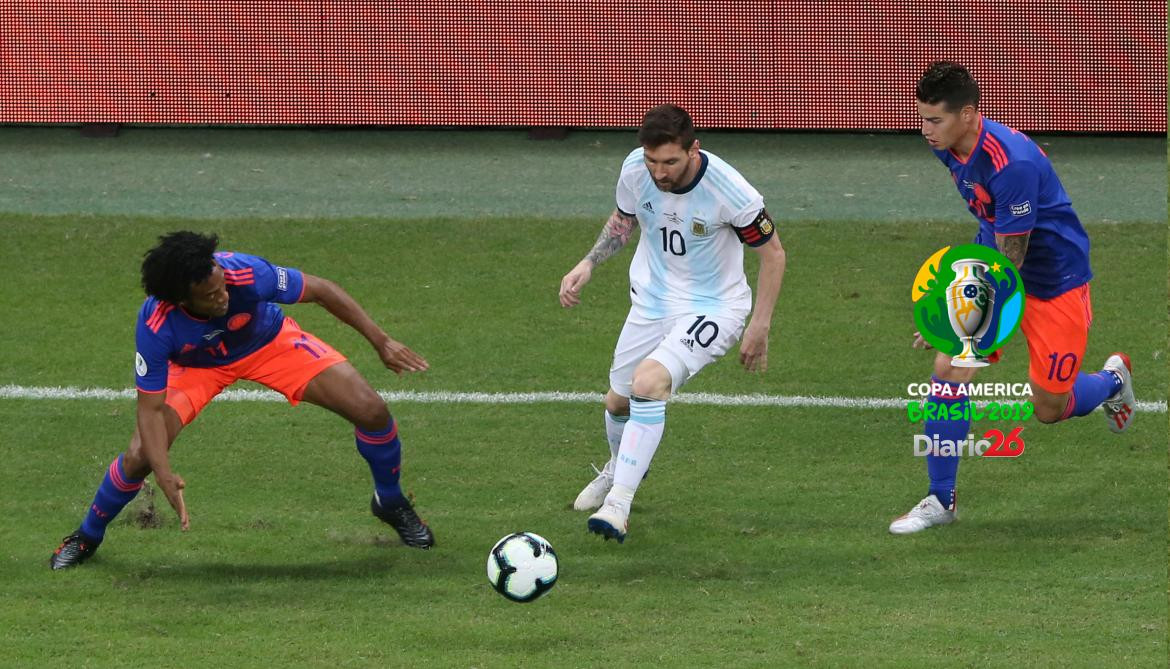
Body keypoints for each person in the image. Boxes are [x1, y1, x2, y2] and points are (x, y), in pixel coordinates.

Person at [50, 231, 435, 569]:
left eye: (223, 286)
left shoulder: (244, 272)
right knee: (139, 456)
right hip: (195, 367)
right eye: (211, 295)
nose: (224, 296)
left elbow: (321, 289)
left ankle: (390, 501)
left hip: (268, 342)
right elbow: (149, 410)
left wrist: (381, 341)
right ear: (181, 300)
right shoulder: (157, 325)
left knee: (371, 410)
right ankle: (87, 535)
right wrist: (164, 475)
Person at [890, 62, 1136, 534]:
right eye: (921, 118)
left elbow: (1013, 260)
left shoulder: (1012, 164)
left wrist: (956, 311)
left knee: (1049, 407)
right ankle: (942, 500)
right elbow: (994, 240)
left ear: (967, 115)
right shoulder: (949, 147)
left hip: (1053, 280)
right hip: (997, 257)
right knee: (949, 368)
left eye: (934, 120)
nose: (925, 131)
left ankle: (1110, 381)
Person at [559, 104, 787, 543]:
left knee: (649, 384)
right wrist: (588, 263)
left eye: (670, 162)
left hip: (714, 307)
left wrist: (760, 324)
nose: (659, 172)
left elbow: (773, 253)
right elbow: (624, 221)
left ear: (693, 149)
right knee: (618, 403)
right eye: (652, 161)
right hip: (651, 300)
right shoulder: (634, 169)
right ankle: (620, 468)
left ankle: (618, 505)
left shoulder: (731, 191)